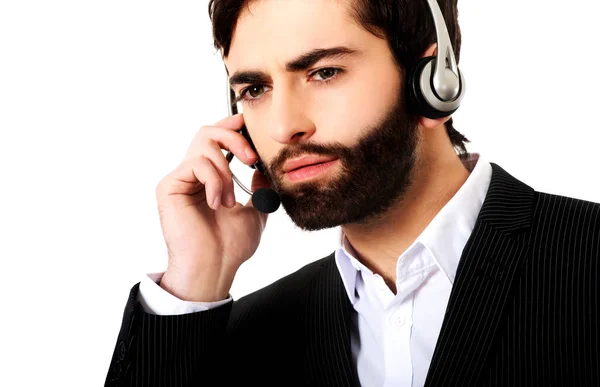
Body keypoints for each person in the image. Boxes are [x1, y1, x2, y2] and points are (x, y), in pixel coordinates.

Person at [105, 0, 600, 386]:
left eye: (323, 73)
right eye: (255, 89)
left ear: (432, 82)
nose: (282, 127)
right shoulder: (248, 334)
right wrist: (194, 280)